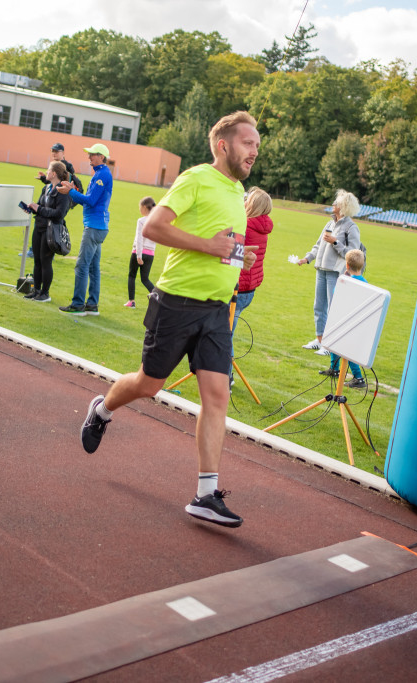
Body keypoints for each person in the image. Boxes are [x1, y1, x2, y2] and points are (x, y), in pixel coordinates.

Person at [78, 111, 260, 528]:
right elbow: (156, 228)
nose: (254, 151)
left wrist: (236, 255)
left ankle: (205, 495)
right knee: (150, 384)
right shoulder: (196, 178)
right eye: (248, 143)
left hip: (216, 308)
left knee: (217, 396)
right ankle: (102, 408)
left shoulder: (238, 191)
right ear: (223, 145)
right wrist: (213, 247)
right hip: (176, 303)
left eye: (256, 145)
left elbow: (217, 245)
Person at [296, 189, 363, 356]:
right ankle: (320, 340)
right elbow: (318, 245)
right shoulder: (329, 224)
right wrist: (307, 258)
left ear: (343, 207)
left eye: (337, 203)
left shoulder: (351, 228)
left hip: (336, 273)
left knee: (333, 309)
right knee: (318, 306)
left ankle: (330, 345)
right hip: (321, 270)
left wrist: (336, 242)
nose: (333, 204)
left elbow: (353, 254)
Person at [56, 143, 114, 316]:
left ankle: (78, 304)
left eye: (93, 155)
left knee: (82, 266)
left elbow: (90, 201)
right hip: (99, 227)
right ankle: (92, 305)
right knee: (93, 267)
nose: (89, 157)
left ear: (101, 157)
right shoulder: (101, 173)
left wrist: (70, 192)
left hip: (94, 227)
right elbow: (90, 199)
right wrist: (73, 190)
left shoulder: (101, 175)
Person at [229, 187, 274, 381]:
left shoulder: (245, 225)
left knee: (224, 334)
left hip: (237, 287)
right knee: (226, 331)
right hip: (250, 288)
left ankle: (225, 376)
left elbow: (231, 255)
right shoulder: (262, 227)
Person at [22, 160, 71, 303]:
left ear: (54, 173)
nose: (46, 172)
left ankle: (45, 293)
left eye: (48, 170)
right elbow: (40, 205)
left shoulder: (62, 190)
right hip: (39, 227)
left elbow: (59, 214)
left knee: (45, 261)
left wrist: (40, 209)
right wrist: (31, 208)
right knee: (37, 260)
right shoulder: (47, 188)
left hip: (51, 230)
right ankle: (36, 291)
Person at [321, 249, 368, 389]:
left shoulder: (345, 281)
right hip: (354, 321)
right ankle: (334, 369)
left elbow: (337, 294)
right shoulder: (364, 282)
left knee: (345, 350)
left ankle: (358, 377)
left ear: (347, 265)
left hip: (344, 319)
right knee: (335, 344)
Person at [125, 196, 157, 308]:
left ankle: (131, 302)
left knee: (132, 276)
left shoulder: (141, 221)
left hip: (139, 252)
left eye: (140, 207)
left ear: (144, 207)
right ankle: (157, 297)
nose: (139, 209)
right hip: (150, 254)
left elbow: (139, 238)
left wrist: (139, 255)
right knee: (145, 279)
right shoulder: (156, 221)